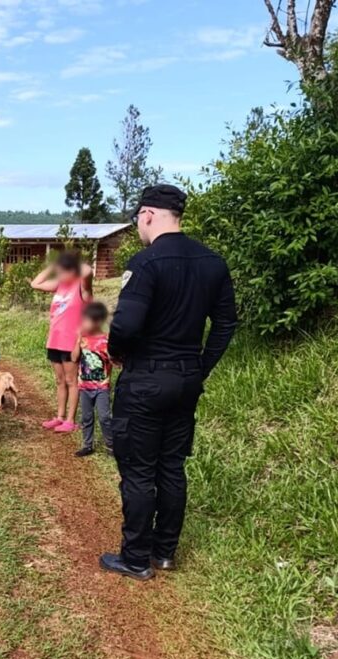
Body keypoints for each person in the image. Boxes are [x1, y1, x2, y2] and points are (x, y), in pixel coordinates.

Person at [100, 184, 238, 581]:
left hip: (145, 378)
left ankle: (135, 558)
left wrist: (118, 353)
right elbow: (226, 323)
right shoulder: (213, 262)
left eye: (137, 220)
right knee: (172, 467)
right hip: (186, 378)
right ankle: (164, 553)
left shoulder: (145, 264)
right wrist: (201, 365)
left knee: (139, 469)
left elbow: (125, 324)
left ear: (147, 214)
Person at [30, 251, 92, 434]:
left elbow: (88, 271)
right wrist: (52, 266)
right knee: (59, 380)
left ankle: (71, 420)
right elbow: (35, 283)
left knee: (71, 380)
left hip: (71, 342)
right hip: (54, 340)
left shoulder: (82, 287)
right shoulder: (60, 286)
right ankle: (59, 416)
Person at [71, 302, 113, 458]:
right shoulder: (83, 340)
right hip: (84, 387)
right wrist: (78, 340)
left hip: (102, 387)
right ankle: (87, 445)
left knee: (104, 417)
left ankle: (111, 445)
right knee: (86, 417)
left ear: (96, 321)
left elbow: (113, 359)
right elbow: (74, 358)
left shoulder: (106, 341)